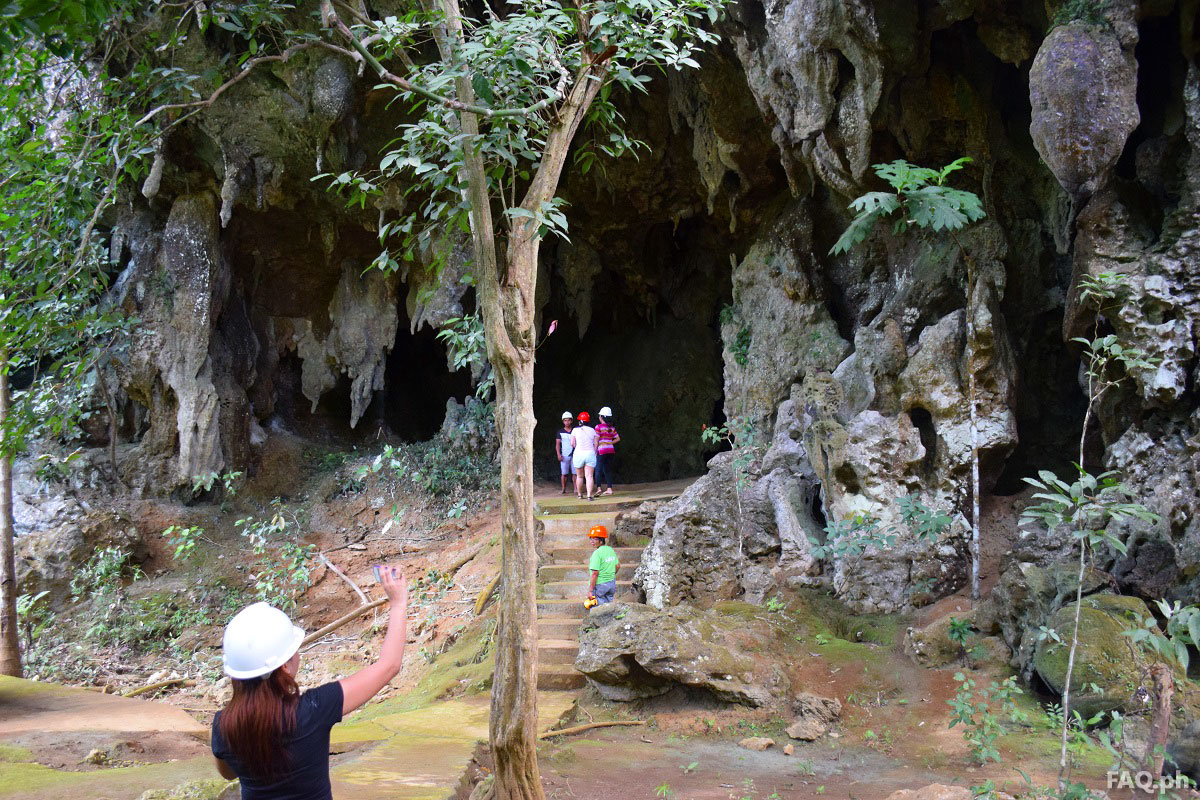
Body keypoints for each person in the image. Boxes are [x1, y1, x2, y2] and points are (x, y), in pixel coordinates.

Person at [211, 566, 408, 799]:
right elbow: (389, 666)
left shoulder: (223, 726)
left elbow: (228, 774)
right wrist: (398, 603)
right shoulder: (313, 710)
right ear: (284, 666)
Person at [586, 524, 620, 605]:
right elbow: (618, 566)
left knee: (598, 610)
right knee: (609, 607)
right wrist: (609, 575)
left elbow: (594, 573)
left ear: (601, 540)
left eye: (595, 539)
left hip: (600, 585)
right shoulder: (610, 550)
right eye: (591, 538)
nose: (592, 541)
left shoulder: (597, 553)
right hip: (611, 583)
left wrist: (590, 591)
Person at [570, 410, 600, 500]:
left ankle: (579, 495)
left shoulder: (575, 430)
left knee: (579, 476)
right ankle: (589, 496)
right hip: (590, 454)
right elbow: (596, 444)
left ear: (580, 421)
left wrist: (578, 448)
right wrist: (593, 452)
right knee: (589, 476)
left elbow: (572, 443)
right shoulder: (592, 430)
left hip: (579, 454)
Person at [594, 406, 620, 496]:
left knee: (598, 469)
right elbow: (618, 438)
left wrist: (594, 450)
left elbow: (596, 440)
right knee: (608, 470)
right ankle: (609, 489)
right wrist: (609, 443)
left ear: (601, 417)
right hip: (610, 450)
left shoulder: (598, 427)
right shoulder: (612, 428)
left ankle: (599, 488)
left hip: (601, 450)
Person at [554, 411, 575, 494]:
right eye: (565, 420)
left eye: (569, 420)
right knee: (564, 473)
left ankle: (576, 489)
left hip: (574, 454)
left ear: (571, 421)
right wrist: (558, 454)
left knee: (575, 473)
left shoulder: (575, 431)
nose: (567, 422)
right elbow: (557, 445)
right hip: (564, 455)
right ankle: (563, 489)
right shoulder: (560, 432)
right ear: (563, 421)